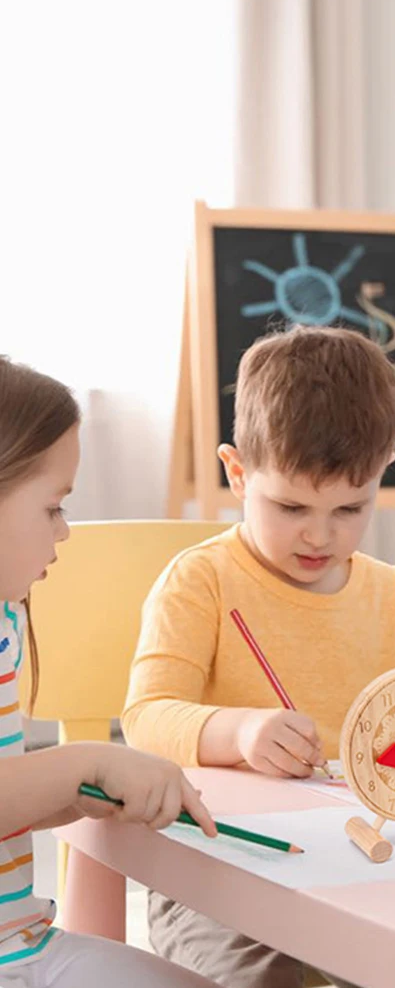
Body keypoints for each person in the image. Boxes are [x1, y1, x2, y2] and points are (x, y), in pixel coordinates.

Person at [122, 326, 395, 988]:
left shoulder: (385, 593)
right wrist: (239, 732)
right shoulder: (201, 581)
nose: (319, 534)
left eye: (349, 508)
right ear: (237, 473)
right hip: (220, 863)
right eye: (291, 506)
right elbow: (146, 717)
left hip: (361, 863)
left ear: (383, 472)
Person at [0, 356, 220, 987]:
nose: (64, 531)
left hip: (21, 944)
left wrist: (70, 795)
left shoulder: (6, 619)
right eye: (53, 508)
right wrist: (84, 763)